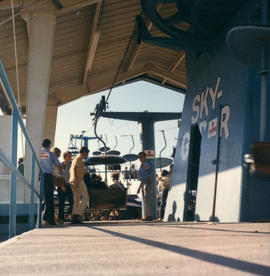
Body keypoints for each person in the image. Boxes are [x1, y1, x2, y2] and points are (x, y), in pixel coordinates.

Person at [40, 138, 62, 225]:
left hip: (39, 176)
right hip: (48, 177)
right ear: (49, 145)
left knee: (41, 197)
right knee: (49, 198)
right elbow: (59, 165)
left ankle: (43, 216)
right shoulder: (50, 153)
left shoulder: (39, 152)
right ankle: (50, 219)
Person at [69, 146, 90, 224]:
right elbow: (74, 168)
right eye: (87, 153)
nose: (87, 155)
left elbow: (70, 170)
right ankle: (78, 214)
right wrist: (77, 180)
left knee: (76, 199)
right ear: (84, 152)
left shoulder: (75, 159)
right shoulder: (79, 159)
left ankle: (74, 215)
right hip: (78, 180)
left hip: (72, 180)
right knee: (86, 197)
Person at [58, 151, 73, 224]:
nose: (70, 157)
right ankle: (60, 219)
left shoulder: (72, 165)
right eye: (68, 156)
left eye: (70, 156)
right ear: (64, 157)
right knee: (61, 203)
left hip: (70, 185)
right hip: (62, 185)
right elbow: (58, 176)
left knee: (72, 202)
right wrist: (61, 185)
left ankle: (71, 217)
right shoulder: (61, 165)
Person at [137, 151, 152, 221]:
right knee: (145, 200)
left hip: (147, 182)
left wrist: (145, 167)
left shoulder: (145, 163)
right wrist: (139, 188)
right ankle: (147, 215)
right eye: (139, 157)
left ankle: (149, 216)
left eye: (141, 156)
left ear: (145, 157)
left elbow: (147, 167)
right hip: (143, 182)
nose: (140, 158)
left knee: (147, 199)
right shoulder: (142, 164)